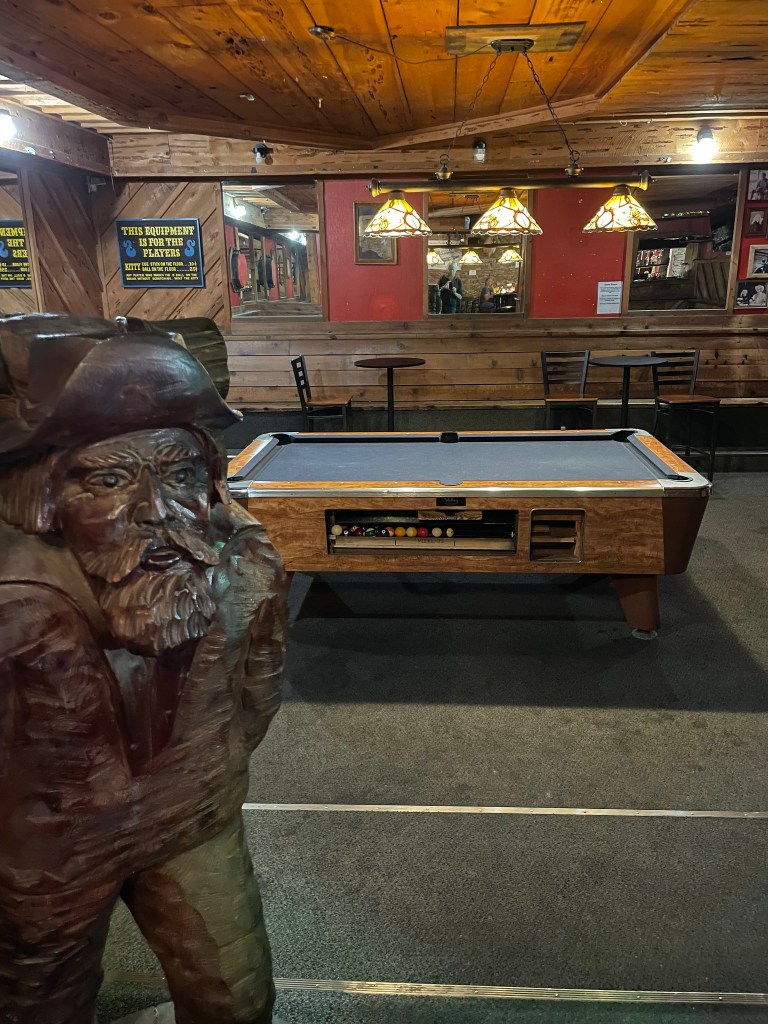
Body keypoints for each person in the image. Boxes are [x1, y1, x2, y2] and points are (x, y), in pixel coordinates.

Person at [0, 315, 288, 1024]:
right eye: (108, 479)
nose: (156, 512)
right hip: (38, 861)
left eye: (182, 474)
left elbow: (257, 690)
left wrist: (202, 769)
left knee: (236, 995)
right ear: (42, 502)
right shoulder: (13, 610)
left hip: (191, 815)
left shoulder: (244, 567)